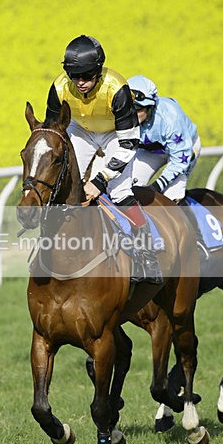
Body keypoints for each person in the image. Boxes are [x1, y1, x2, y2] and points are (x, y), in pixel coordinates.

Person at [43, 35, 160, 283]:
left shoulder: (117, 89)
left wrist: (99, 180)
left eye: (87, 76)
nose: (81, 83)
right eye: (75, 76)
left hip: (115, 134)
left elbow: (129, 144)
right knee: (63, 184)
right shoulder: (59, 87)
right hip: (81, 130)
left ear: (98, 71)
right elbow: (52, 133)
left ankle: (147, 254)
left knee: (119, 192)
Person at [128, 75, 201, 202]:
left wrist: (157, 186)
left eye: (138, 108)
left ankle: (189, 221)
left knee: (171, 197)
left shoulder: (170, 119)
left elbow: (180, 159)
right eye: (129, 108)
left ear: (150, 106)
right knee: (129, 189)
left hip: (184, 150)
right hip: (150, 152)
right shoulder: (120, 114)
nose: (133, 114)